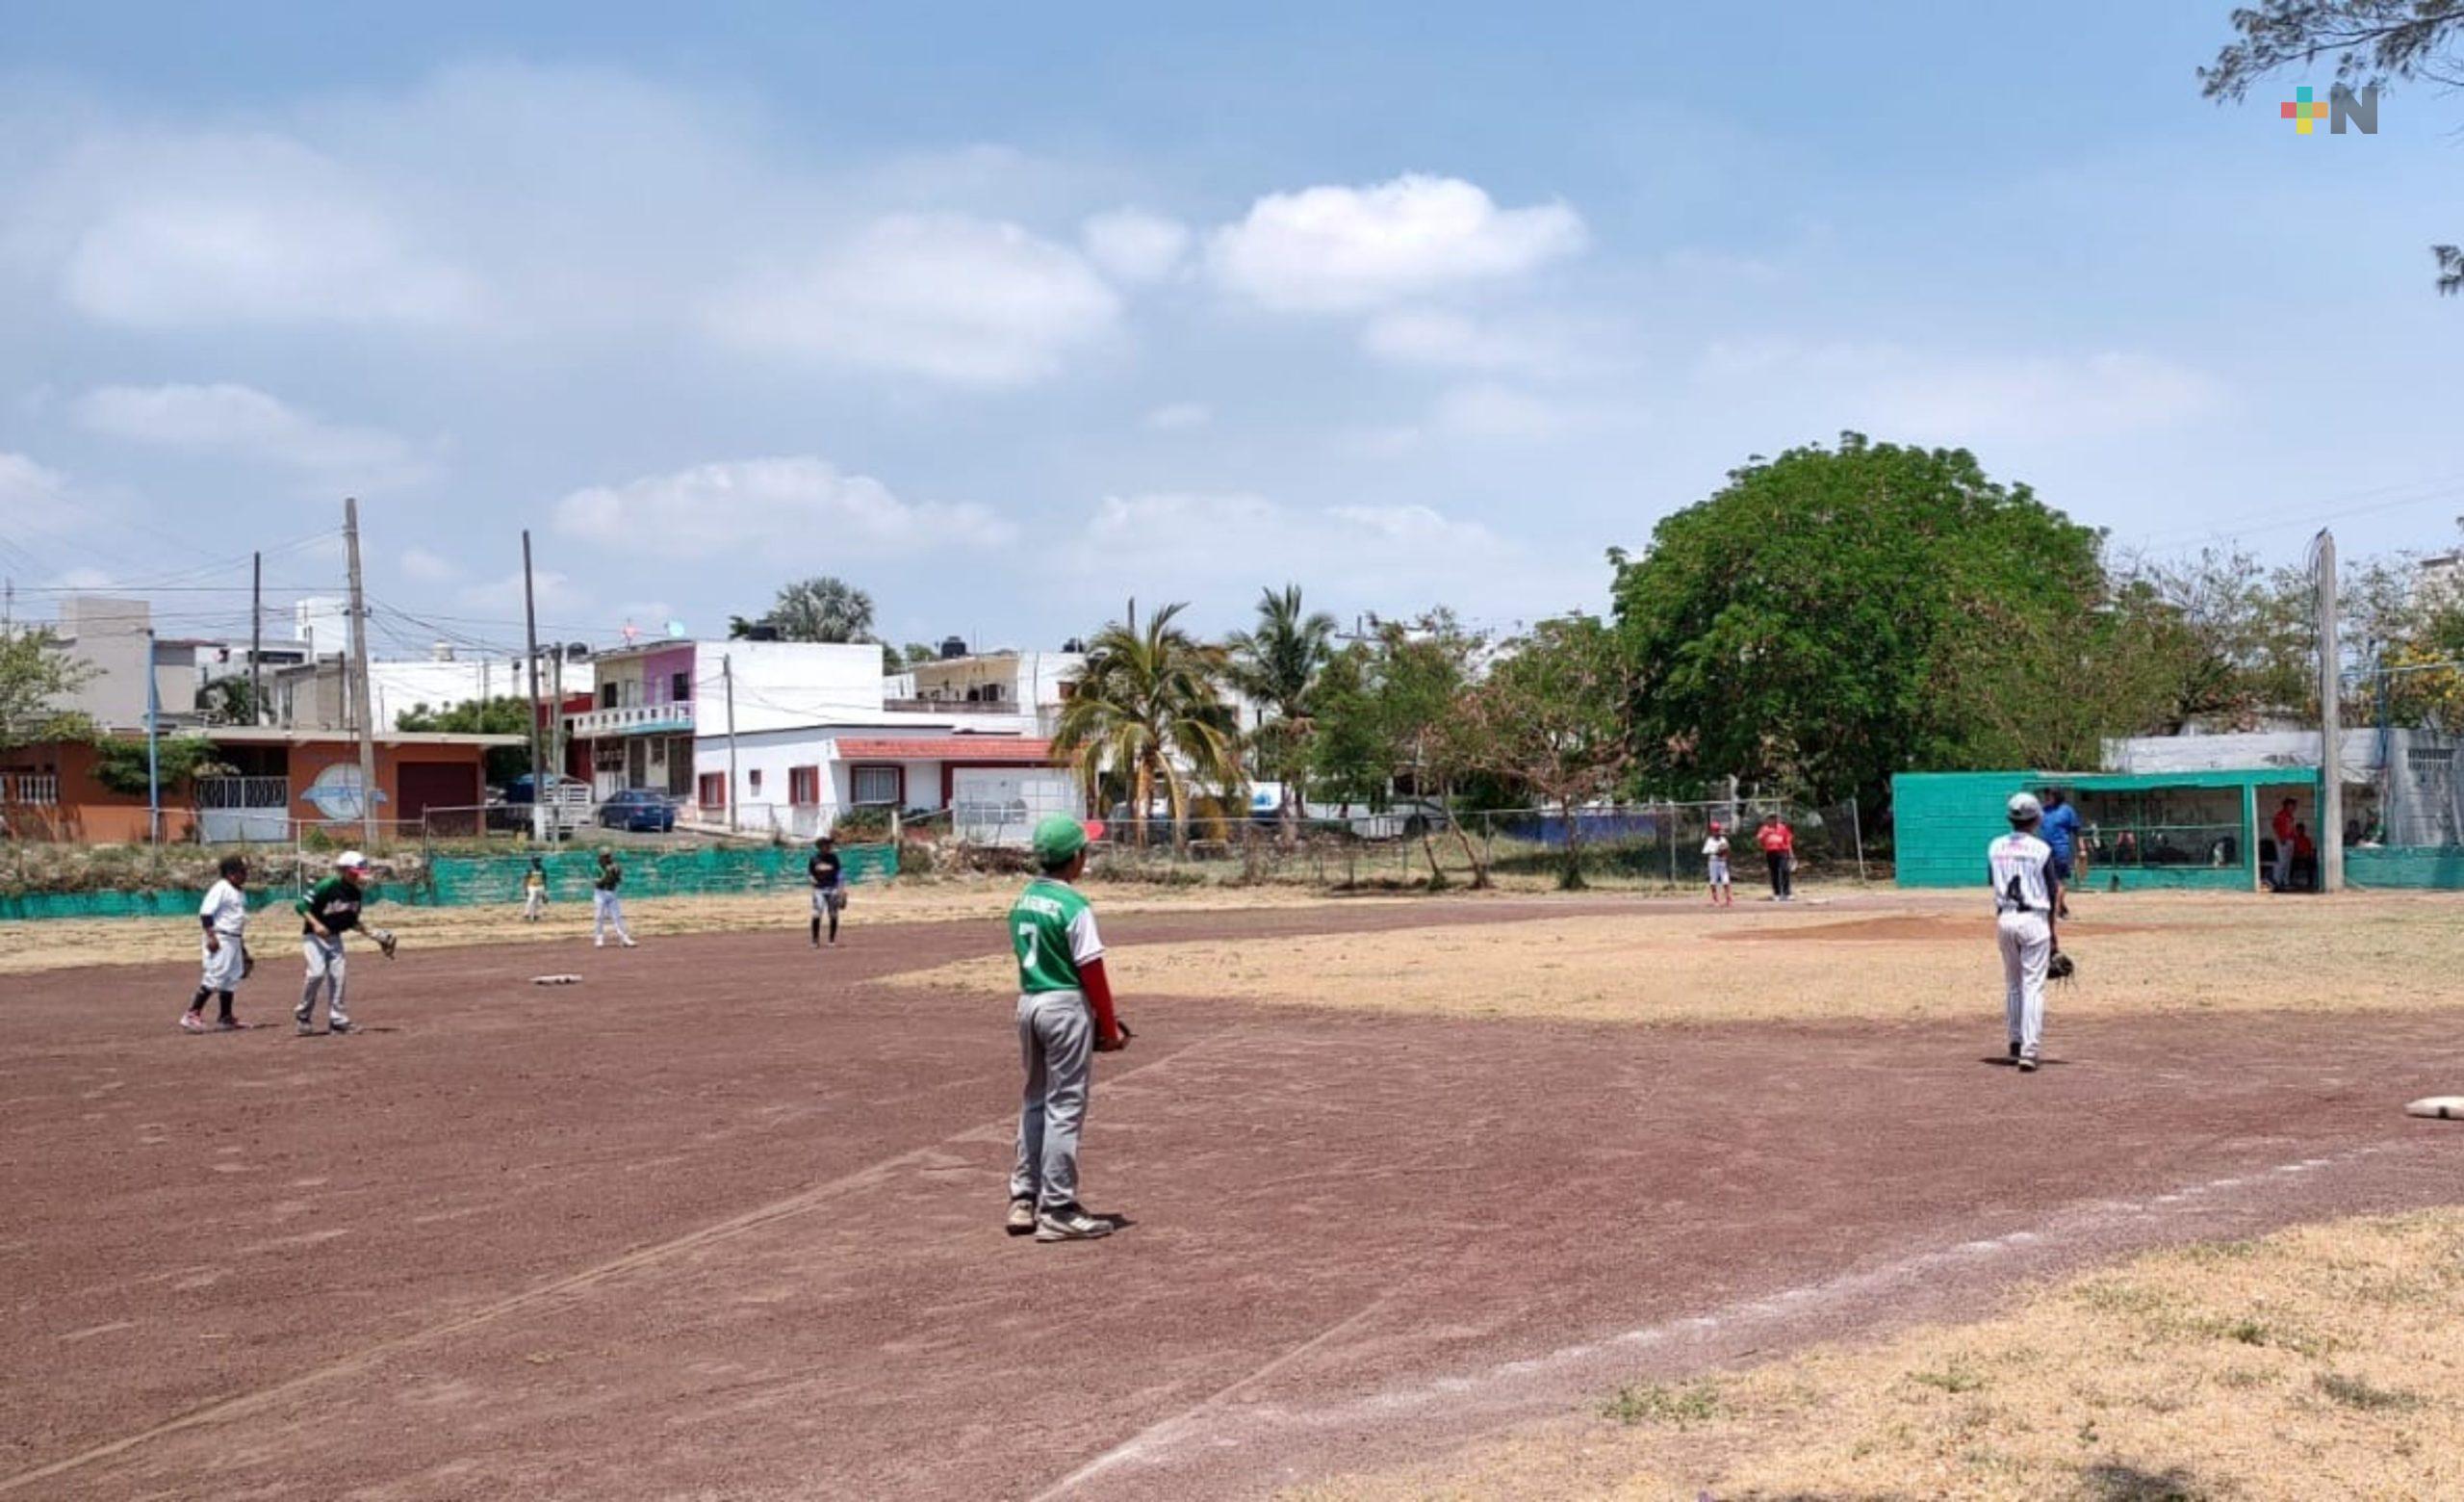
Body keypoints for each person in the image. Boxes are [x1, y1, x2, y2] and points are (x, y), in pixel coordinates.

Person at [1006, 816, 1128, 1244]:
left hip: (1030, 1002)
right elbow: (1092, 970)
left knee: (1035, 1099)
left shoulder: (1024, 899)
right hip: (1064, 1005)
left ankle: (1023, 1198)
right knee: (1065, 1104)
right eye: (1084, 850)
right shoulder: (1074, 906)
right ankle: (1058, 1207)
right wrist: (1108, 1026)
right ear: (1075, 858)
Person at [1990, 794, 2062, 1073]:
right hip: (2034, 918)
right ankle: (2029, 1052)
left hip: (2005, 917)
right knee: (2034, 985)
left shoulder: (1995, 846)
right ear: (2036, 818)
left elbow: (1993, 881)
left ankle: (2015, 1042)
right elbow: (2052, 890)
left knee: (2013, 983)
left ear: (2011, 818)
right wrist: (2053, 934)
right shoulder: (2041, 849)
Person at [296, 852, 380, 1036]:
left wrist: (373, 934)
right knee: (316, 974)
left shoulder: (355, 893)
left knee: (338, 977)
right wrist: (316, 924)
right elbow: (301, 905)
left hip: (335, 938)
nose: (362, 874)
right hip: (314, 937)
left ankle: (338, 1021)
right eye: (358, 871)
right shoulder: (327, 885)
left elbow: (351, 920)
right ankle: (303, 1015)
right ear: (347, 871)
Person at [182, 854, 251, 1032]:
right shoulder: (221, 888)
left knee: (231, 978)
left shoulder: (239, 891)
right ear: (230, 873)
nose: (246, 875)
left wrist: (242, 948)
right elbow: (206, 913)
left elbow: (237, 920)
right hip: (221, 938)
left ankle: (225, 1017)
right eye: (242, 871)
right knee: (216, 975)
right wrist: (211, 937)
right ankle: (191, 1014)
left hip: (234, 939)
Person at [2039, 790, 2080, 919]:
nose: (2046, 797)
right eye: (2045, 795)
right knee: (2047, 881)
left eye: (2049, 795)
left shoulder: (2067, 810)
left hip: (2060, 849)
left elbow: (2076, 830)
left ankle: (2055, 911)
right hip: (2044, 850)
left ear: (2057, 796)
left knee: (2059, 880)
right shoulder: (2043, 810)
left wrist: (2082, 849)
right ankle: (2062, 908)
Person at [591, 847, 636, 948]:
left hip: (612, 892)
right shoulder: (596, 867)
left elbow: (620, 881)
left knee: (617, 916)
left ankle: (624, 938)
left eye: (609, 856)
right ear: (601, 857)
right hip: (600, 893)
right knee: (599, 916)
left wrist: (617, 874)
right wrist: (606, 875)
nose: (608, 858)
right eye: (605, 856)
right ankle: (599, 939)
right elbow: (596, 882)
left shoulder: (614, 865)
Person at [808, 834, 846, 946]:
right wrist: (811, 878)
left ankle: (831, 940)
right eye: (825, 845)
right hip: (819, 889)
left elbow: (840, 873)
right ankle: (815, 941)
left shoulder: (833, 858)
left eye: (829, 845)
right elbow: (810, 873)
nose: (828, 846)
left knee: (833, 914)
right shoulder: (814, 858)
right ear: (820, 846)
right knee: (816, 914)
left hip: (832, 888)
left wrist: (841, 889)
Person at [1756, 814, 1796, 901]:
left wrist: (1791, 853)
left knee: (1785, 870)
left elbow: (1788, 841)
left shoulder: (1782, 828)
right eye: (1770, 818)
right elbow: (1759, 839)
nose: (1773, 820)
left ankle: (1787, 893)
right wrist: (1765, 836)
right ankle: (1777, 893)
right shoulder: (1764, 828)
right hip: (1770, 852)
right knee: (1774, 873)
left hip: (1782, 851)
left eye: (1774, 818)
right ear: (1767, 819)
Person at [1701, 821, 1732, 907]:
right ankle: (1716, 900)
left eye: (1718, 830)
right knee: (1713, 881)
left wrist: (1726, 856)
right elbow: (1704, 851)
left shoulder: (1723, 839)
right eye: (1715, 830)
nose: (1717, 832)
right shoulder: (1709, 840)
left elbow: (1727, 850)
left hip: (1722, 862)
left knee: (1725, 880)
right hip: (1713, 862)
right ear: (1712, 831)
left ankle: (1728, 900)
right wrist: (1715, 851)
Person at [2271, 797, 2297, 892]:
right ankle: (2276, 882)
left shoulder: (2291, 817)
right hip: (2282, 840)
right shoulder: (2280, 815)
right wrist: (2280, 837)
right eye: (2291, 805)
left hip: (2290, 840)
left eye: (2294, 805)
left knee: (2288, 862)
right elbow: (2275, 826)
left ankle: (2285, 882)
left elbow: (2292, 829)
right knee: (2282, 861)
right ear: (2286, 805)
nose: (2293, 807)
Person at [522, 857, 548, 922]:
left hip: (540, 886)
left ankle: (536, 914)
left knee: (539, 902)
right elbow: (525, 879)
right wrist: (525, 889)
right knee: (531, 899)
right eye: (534, 862)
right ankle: (527, 913)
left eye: (537, 862)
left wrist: (545, 892)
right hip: (531, 886)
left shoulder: (543, 870)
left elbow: (544, 880)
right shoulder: (530, 869)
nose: (535, 863)